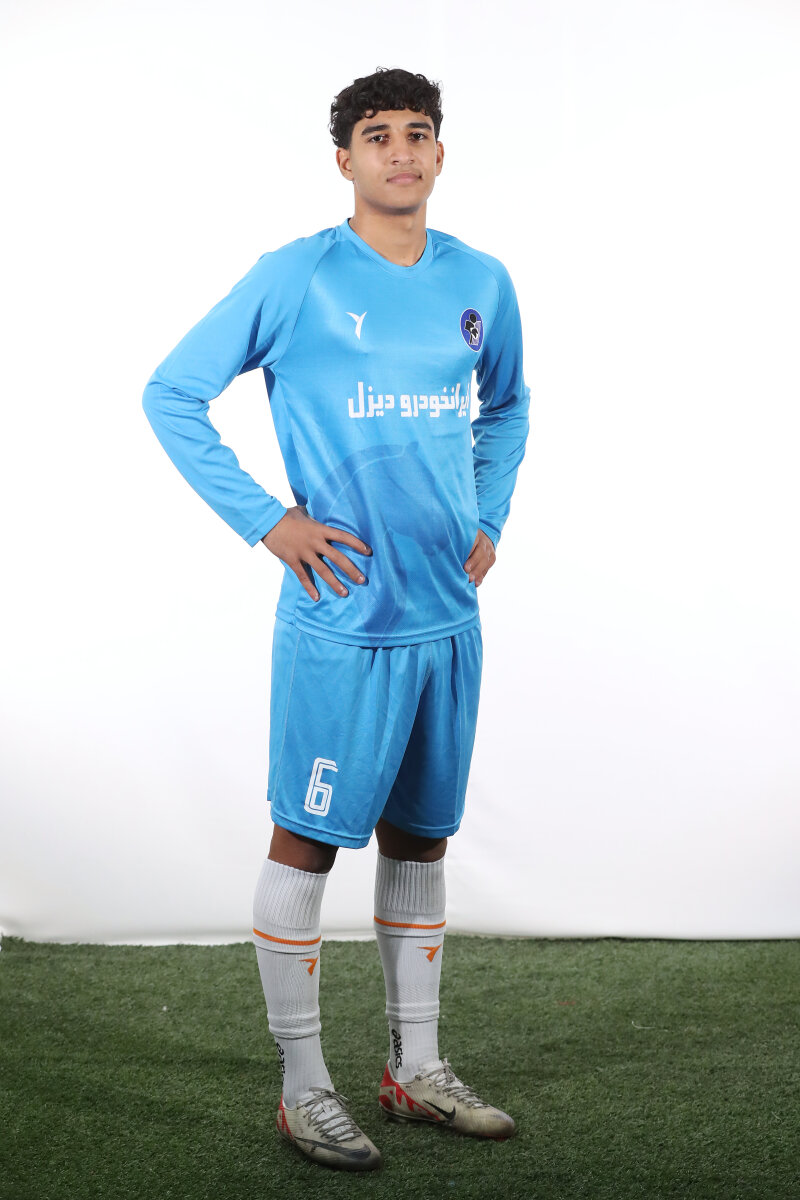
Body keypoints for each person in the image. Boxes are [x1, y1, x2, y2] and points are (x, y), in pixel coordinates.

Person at [142, 65, 530, 1173]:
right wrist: (269, 521)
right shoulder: (299, 275)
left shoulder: (481, 280)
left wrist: (488, 515)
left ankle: (415, 1069)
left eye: (418, 132)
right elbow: (171, 392)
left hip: (444, 616)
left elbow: (506, 405)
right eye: (377, 134)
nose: (400, 151)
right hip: (342, 621)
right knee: (307, 840)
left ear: (440, 153)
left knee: (420, 839)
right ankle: (302, 1087)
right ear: (345, 159)